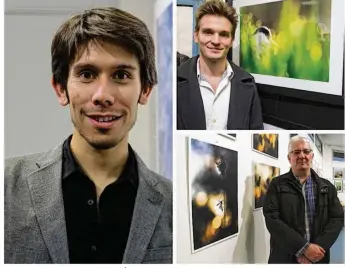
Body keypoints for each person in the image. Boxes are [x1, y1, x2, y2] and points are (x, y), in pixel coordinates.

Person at [5, 7, 172, 264]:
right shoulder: (6, 186)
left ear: (145, 90)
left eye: (121, 75)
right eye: (87, 74)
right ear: (61, 89)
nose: (102, 95)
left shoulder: (174, 205)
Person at [177, 0, 263, 130]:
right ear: (196, 35)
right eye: (208, 32)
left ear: (232, 40)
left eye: (223, 34)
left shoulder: (248, 83)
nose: (216, 41)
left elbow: (256, 131)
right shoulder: (173, 81)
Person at [263, 136, 344, 264]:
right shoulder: (277, 184)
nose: (302, 155)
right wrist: (303, 248)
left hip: (318, 257)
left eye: (306, 151)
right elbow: (272, 219)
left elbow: (337, 218)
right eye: (296, 152)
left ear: (311, 156)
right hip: (285, 256)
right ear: (289, 158)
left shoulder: (327, 187)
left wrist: (316, 249)